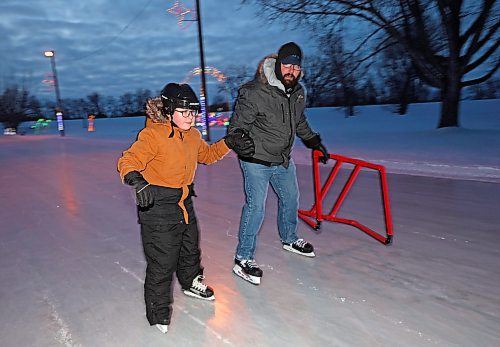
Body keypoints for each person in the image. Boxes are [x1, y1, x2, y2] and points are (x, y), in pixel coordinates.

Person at [117, 83, 254, 333]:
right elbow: (128, 160)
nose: (191, 117)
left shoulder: (192, 136)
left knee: (190, 248)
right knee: (163, 260)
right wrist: (137, 180)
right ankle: (157, 312)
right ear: (169, 110)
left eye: (193, 112)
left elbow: (208, 156)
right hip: (156, 205)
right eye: (185, 112)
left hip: (183, 202)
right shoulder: (152, 135)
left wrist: (229, 142)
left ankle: (191, 283)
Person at [228, 42, 329, 285]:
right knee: (256, 207)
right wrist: (240, 140)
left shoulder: (298, 92)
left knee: (291, 199)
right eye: (287, 65)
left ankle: (289, 238)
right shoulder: (255, 91)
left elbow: (299, 120)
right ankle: (243, 258)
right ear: (278, 65)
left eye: (296, 66)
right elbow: (236, 127)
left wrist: (313, 140)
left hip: (282, 159)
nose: (291, 70)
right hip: (256, 161)